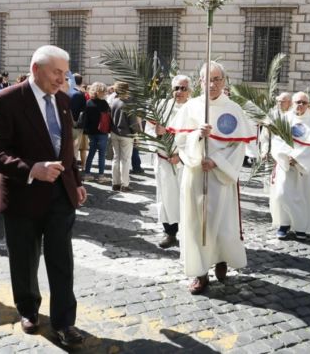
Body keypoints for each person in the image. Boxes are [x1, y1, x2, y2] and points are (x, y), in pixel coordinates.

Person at [0, 46, 87, 348]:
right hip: (22, 196)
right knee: (24, 260)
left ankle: (65, 322)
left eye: (65, 73)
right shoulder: (7, 99)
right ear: (36, 68)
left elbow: (66, 150)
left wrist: (75, 181)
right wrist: (31, 169)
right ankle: (28, 309)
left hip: (60, 197)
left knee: (61, 261)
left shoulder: (64, 101)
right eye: (56, 72)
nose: (61, 79)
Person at [169, 61, 255, 295]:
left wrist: (216, 161)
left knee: (221, 223)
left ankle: (221, 258)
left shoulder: (233, 109)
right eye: (208, 79)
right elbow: (180, 143)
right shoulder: (191, 107)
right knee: (197, 223)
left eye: (217, 79)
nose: (213, 84)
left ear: (224, 82)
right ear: (200, 82)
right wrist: (197, 137)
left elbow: (238, 147)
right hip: (196, 174)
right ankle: (199, 273)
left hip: (220, 177)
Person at [269, 92, 310, 240]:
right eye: (297, 102)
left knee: (302, 196)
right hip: (285, 164)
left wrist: (297, 158)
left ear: (308, 104)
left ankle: (300, 227)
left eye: (303, 102)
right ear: (292, 103)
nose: (300, 105)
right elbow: (277, 141)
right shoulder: (285, 119)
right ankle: (284, 223)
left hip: (304, 166)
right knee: (282, 194)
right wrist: (286, 157)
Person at [149, 75, 191, 248]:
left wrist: (181, 157)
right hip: (164, 161)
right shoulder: (160, 107)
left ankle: (189, 236)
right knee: (166, 198)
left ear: (189, 91)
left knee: (186, 198)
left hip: (186, 163)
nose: (179, 92)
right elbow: (149, 130)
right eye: (176, 88)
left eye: (183, 88)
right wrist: (158, 132)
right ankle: (170, 234)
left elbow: (197, 137)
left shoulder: (194, 109)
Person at [109, 82, 140, 192]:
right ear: (127, 90)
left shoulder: (114, 102)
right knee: (125, 160)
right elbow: (133, 123)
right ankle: (125, 184)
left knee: (116, 158)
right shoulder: (128, 103)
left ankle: (115, 183)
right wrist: (137, 135)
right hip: (126, 134)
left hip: (114, 132)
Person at [82, 82, 111, 183]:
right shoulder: (104, 104)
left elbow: (85, 119)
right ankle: (101, 176)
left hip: (91, 132)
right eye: (103, 91)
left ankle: (87, 174)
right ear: (100, 92)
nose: (105, 93)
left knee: (91, 153)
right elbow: (108, 118)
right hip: (102, 132)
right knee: (102, 154)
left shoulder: (88, 102)